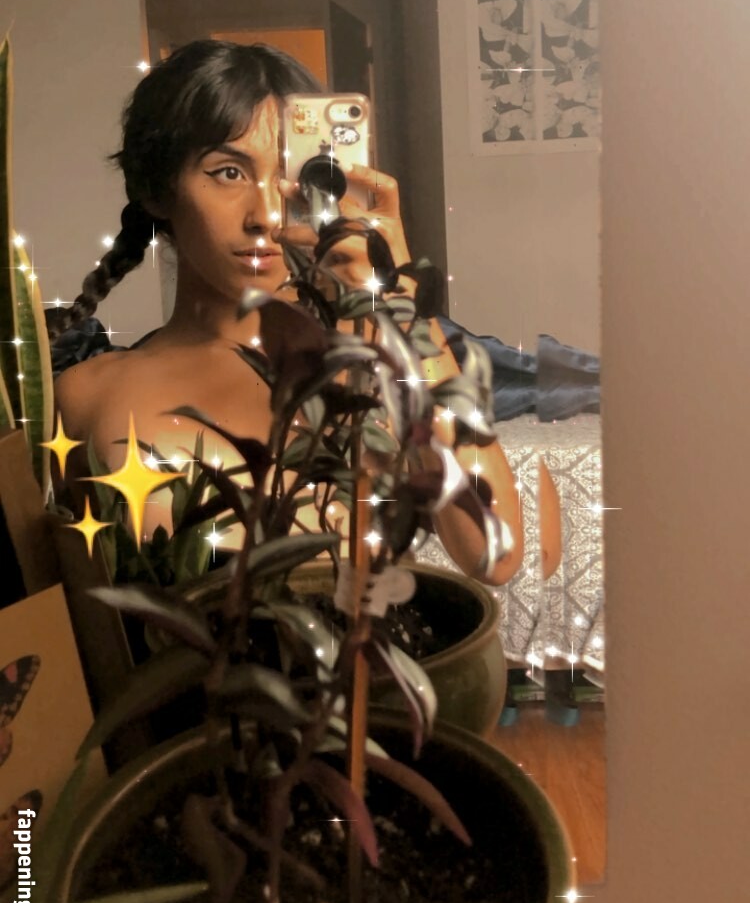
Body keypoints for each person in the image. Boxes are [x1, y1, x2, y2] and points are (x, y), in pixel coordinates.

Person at [51, 40, 523, 584]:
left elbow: (495, 555)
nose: (267, 215)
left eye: (290, 174)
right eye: (228, 173)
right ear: (157, 189)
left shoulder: (373, 363)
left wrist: (398, 303)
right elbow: (82, 611)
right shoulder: (86, 395)